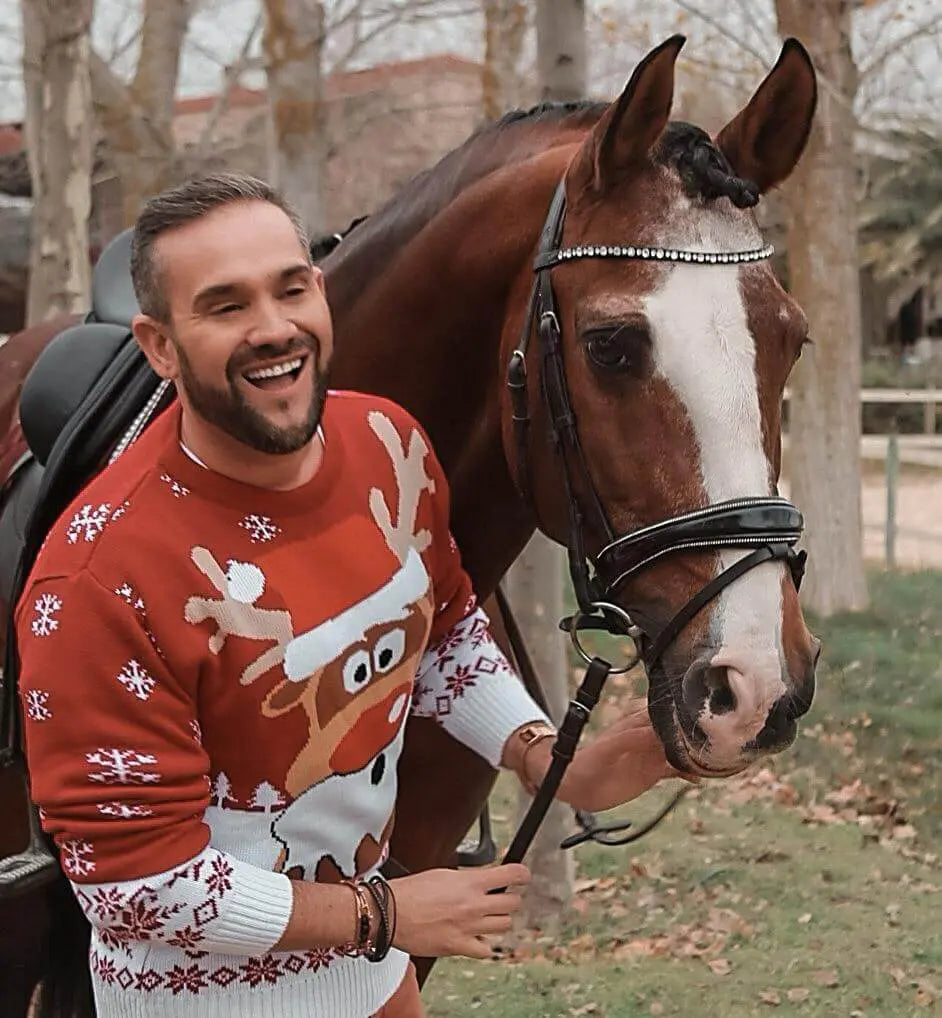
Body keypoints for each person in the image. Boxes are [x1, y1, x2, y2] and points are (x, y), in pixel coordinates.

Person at [16, 173, 680, 1018]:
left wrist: (544, 756)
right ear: (158, 345)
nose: (274, 328)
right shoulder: (98, 577)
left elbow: (439, 634)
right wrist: (388, 913)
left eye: (290, 289)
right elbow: (137, 886)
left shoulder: (388, 443)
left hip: (374, 983)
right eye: (225, 307)